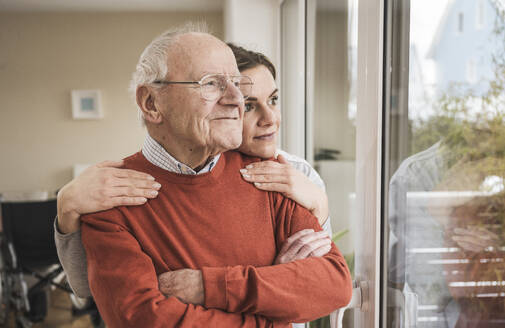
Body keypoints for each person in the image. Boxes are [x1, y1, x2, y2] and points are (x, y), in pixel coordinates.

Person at [57, 24, 351, 327]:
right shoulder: (108, 194)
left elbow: (333, 284)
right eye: (211, 84)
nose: (236, 98)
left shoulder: (273, 176)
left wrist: (208, 287)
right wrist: (272, 313)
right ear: (151, 103)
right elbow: (143, 319)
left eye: (237, 84)